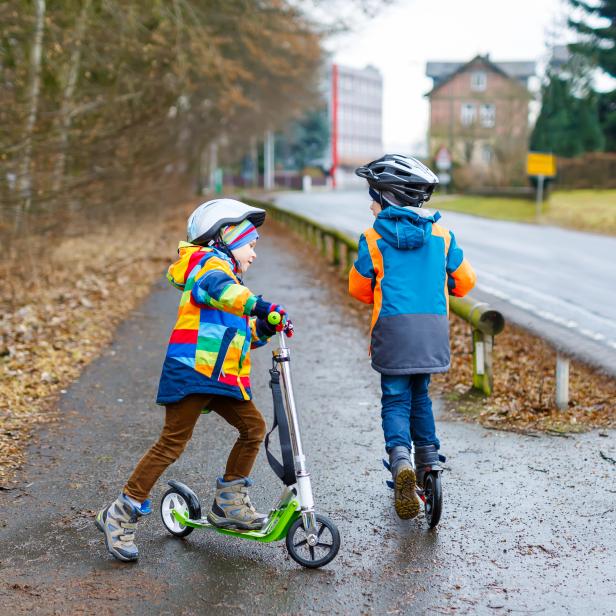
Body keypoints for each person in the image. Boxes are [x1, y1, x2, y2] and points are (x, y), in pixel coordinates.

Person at [96, 198, 291, 561]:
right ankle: (120, 512)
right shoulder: (207, 266)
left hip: (220, 377)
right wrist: (259, 304)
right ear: (225, 239)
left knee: (252, 429)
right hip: (192, 371)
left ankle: (229, 502)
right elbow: (223, 290)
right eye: (250, 245)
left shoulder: (230, 281)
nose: (255, 253)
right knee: (171, 444)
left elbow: (241, 331)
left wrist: (263, 325)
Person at [349, 155, 476, 519]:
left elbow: (358, 288)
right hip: (431, 332)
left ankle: (401, 461)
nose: (370, 204)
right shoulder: (442, 235)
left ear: (386, 198)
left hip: (393, 331)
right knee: (421, 396)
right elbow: (465, 283)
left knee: (394, 400)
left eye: (373, 196)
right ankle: (429, 463)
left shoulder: (373, 237)